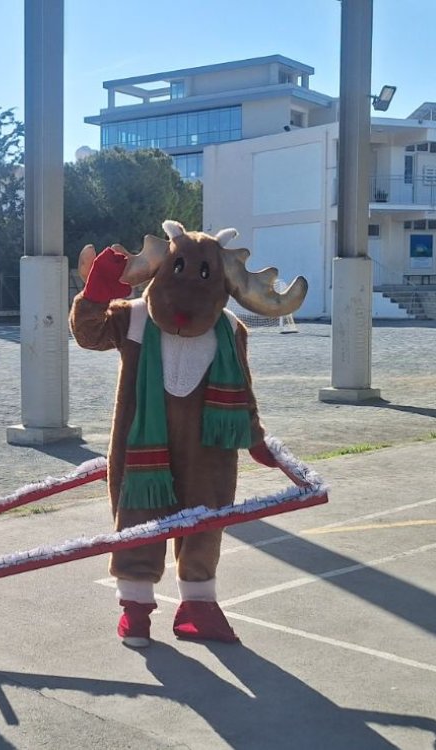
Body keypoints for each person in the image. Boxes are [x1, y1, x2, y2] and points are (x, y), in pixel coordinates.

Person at [69, 220, 307, 647]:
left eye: (203, 276)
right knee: (138, 521)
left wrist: (255, 438)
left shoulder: (231, 329)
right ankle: (136, 612)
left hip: (208, 452)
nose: (188, 293)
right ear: (163, 271)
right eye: (178, 270)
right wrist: (97, 293)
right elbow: (87, 333)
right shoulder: (135, 318)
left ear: (220, 285)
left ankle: (197, 609)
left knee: (205, 520)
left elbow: (244, 390)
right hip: (143, 446)